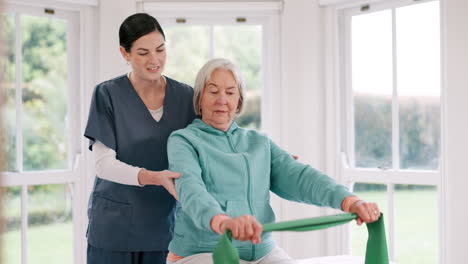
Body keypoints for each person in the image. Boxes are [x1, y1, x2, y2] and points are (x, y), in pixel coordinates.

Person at [165, 58, 381, 264]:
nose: (222, 99)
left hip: (261, 251)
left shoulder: (259, 142)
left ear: (238, 101)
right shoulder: (184, 141)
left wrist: (350, 201)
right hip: (202, 251)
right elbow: (191, 191)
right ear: (200, 98)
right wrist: (223, 221)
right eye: (213, 91)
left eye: (230, 92)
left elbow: (300, 177)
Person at [84, 13, 196, 264]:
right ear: (125, 54)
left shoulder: (186, 97)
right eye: (143, 53)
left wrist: (264, 159)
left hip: (164, 228)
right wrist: (154, 177)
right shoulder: (107, 94)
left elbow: (209, 147)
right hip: (113, 230)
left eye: (160, 49)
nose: (155, 60)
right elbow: (103, 165)